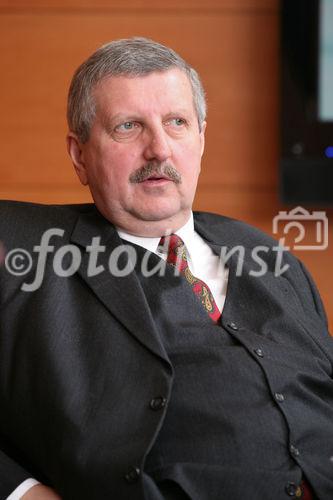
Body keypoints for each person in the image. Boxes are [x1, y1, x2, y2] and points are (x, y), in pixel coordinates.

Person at [0, 37, 332, 500]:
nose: (158, 149)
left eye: (176, 122)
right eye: (128, 127)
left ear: (201, 138)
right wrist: (24, 493)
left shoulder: (275, 258)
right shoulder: (20, 247)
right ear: (80, 156)